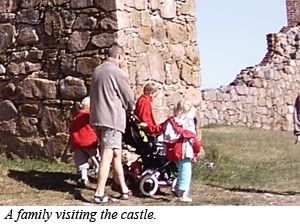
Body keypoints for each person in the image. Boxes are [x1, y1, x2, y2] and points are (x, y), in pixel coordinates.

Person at [90, 43, 135, 203]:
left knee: (116, 153)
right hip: (112, 119)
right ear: (120, 56)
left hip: (97, 117)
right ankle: (99, 193)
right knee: (107, 154)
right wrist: (132, 109)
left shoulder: (97, 70)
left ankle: (123, 189)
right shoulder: (117, 72)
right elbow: (129, 97)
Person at [163, 100, 202, 202]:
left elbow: (167, 135)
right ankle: (182, 192)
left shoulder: (172, 121)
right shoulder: (188, 122)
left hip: (174, 149)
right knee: (186, 171)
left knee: (181, 170)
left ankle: (177, 187)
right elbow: (192, 136)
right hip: (185, 149)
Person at [69, 96, 99, 187]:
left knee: (81, 161)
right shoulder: (90, 116)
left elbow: (71, 129)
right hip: (90, 142)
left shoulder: (76, 117)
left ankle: (84, 177)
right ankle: (99, 174)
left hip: (78, 142)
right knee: (96, 159)